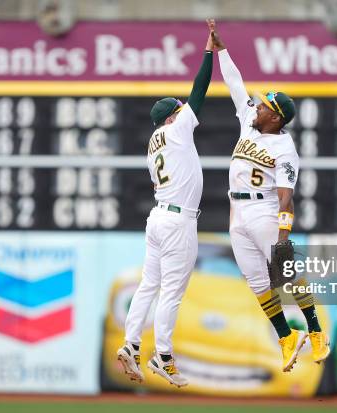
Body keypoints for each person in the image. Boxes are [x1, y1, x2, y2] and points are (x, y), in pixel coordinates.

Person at [208, 19, 330, 372]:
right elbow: (234, 84)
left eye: (264, 106)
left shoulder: (285, 148)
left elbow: (286, 197)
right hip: (237, 214)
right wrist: (222, 49)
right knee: (258, 283)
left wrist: (282, 238)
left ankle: (317, 330)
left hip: (263, 211)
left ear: (276, 118)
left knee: (286, 274)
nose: (256, 106)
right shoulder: (249, 121)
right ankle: (286, 337)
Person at [116, 24, 214, 388]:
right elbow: (199, 92)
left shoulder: (153, 142)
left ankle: (131, 343)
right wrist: (208, 54)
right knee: (171, 292)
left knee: (147, 286)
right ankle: (164, 356)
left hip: (157, 219)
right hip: (177, 222)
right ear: (173, 116)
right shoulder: (176, 130)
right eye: (180, 109)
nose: (185, 110)